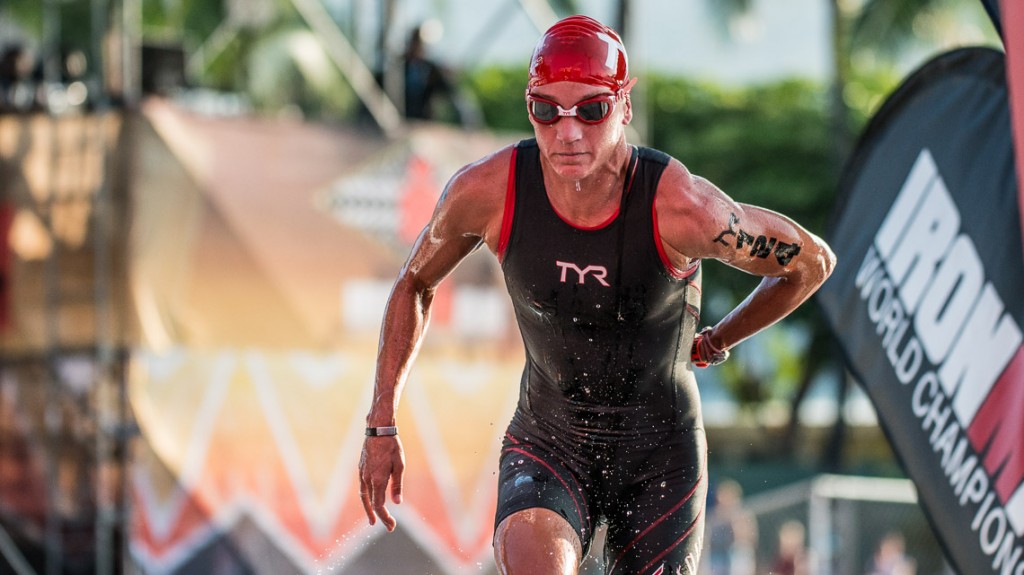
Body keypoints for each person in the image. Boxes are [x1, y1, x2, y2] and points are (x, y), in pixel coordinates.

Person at [358, 14, 836, 575]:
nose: (567, 133)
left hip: (660, 454)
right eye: (546, 111)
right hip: (549, 440)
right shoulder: (487, 191)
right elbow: (414, 281)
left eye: (591, 110)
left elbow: (812, 263)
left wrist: (718, 340)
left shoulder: (683, 209)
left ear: (624, 108)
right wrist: (381, 422)